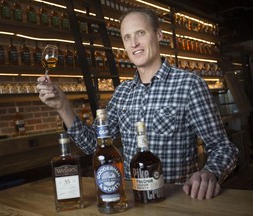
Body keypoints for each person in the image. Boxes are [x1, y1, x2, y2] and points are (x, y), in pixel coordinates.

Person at [37, 7, 239, 200]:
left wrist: (210, 172)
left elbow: (223, 147)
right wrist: (63, 106)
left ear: (159, 34)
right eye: (127, 37)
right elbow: (93, 145)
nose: (133, 43)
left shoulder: (189, 85)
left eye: (140, 33)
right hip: (131, 200)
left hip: (175, 200)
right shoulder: (122, 93)